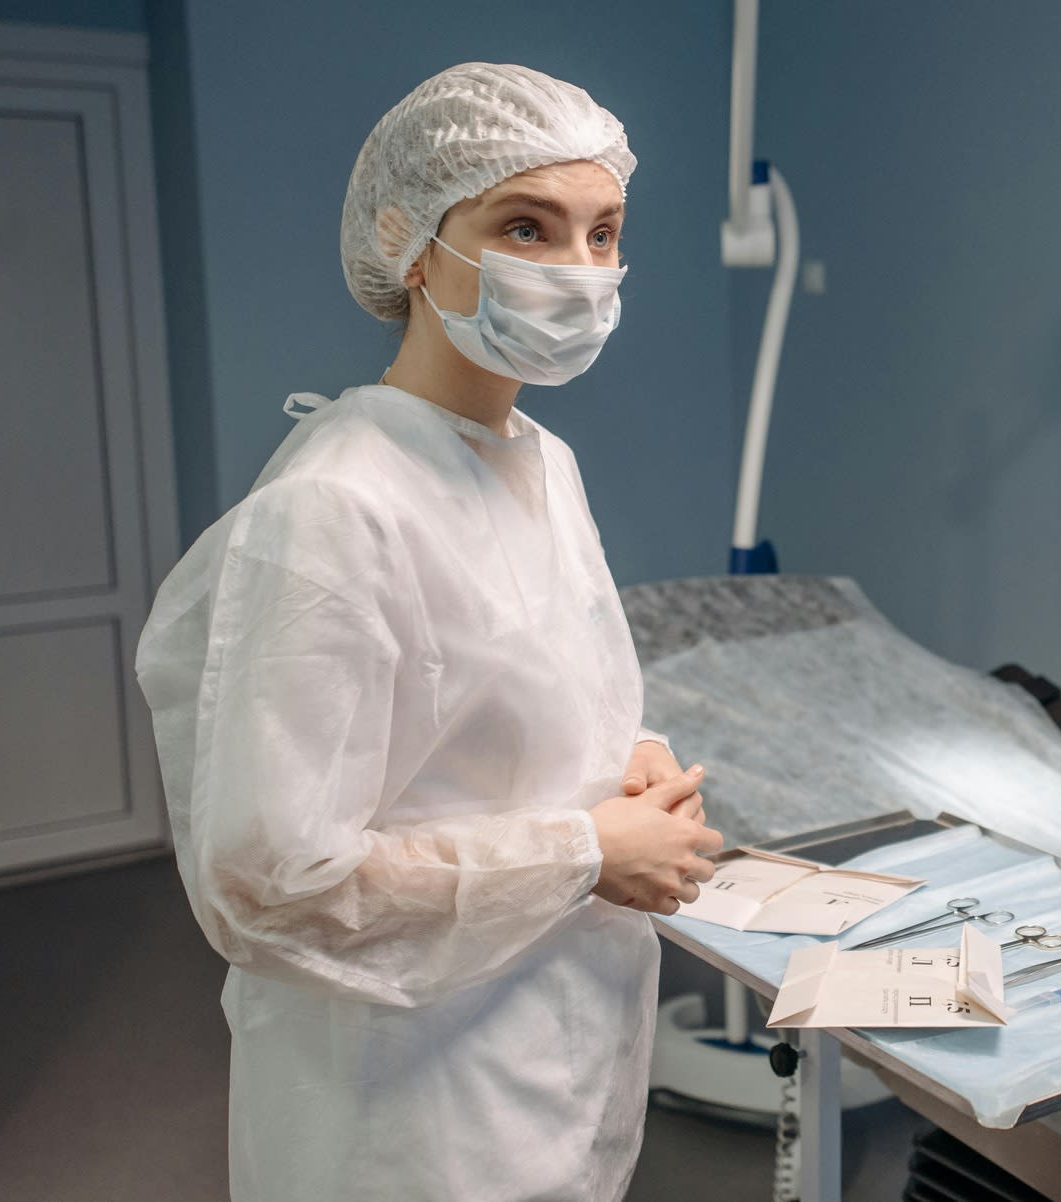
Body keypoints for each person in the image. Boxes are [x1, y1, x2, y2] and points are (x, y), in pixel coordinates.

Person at [133, 63, 721, 1202]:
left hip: (560, 1028)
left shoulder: (544, 459)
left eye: (605, 232)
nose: (582, 272)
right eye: (525, 225)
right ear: (408, 243)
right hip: (409, 1094)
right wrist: (591, 848)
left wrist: (629, 756)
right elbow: (269, 879)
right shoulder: (335, 509)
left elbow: (527, 685)